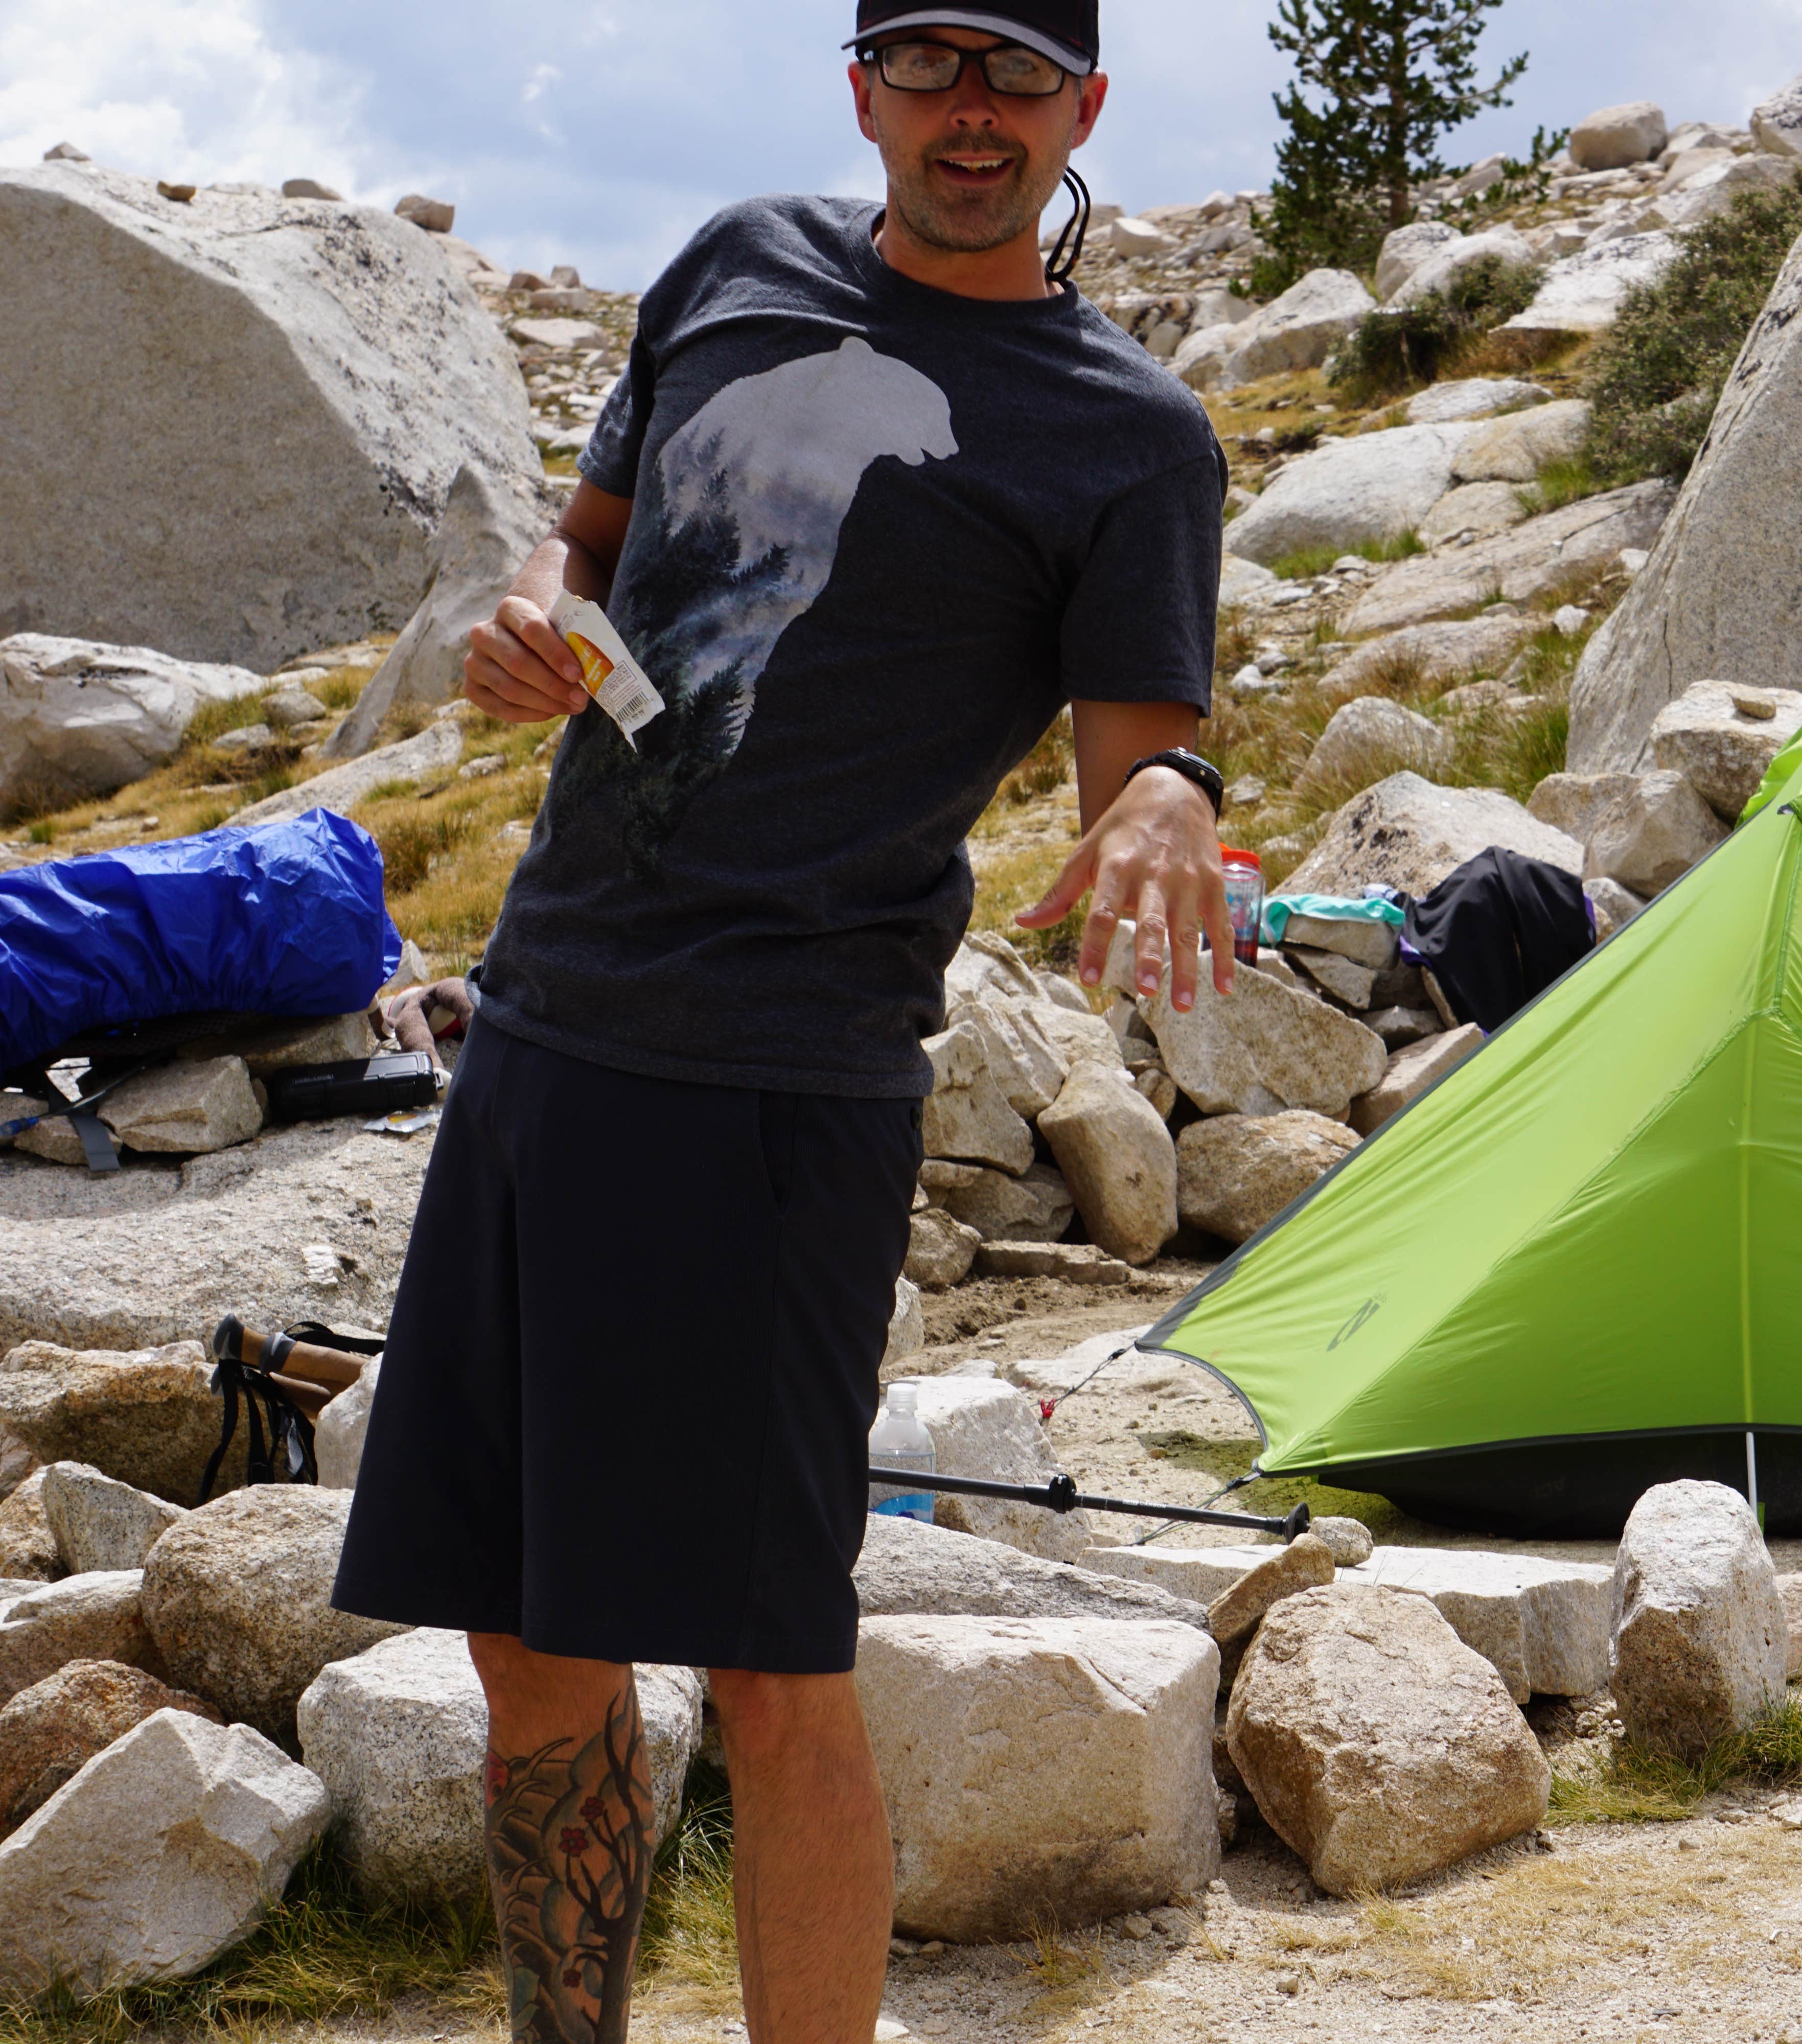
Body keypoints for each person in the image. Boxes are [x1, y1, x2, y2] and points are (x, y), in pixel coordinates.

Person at [331, 5, 1228, 2038]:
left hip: (774, 1087)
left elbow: (1142, 773)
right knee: (525, 1643)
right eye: (928, 68)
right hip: (549, 1018)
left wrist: (1182, 797)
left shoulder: (1130, 435)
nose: (970, 116)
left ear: (1084, 110)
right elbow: (597, 563)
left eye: (1015, 77)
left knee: (769, 1661)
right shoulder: (735, 263)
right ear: (861, 97)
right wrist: (532, 628)